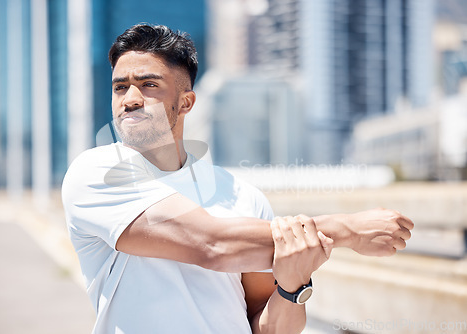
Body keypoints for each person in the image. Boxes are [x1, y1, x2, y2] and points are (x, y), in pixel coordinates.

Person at [62, 24, 413, 334]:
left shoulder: (242, 195)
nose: (131, 100)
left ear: (185, 103)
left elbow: (266, 325)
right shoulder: (98, 171)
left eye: (149, 85)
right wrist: (347, 230)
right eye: (120, 87)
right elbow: (210, 244)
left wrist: (292, 287)